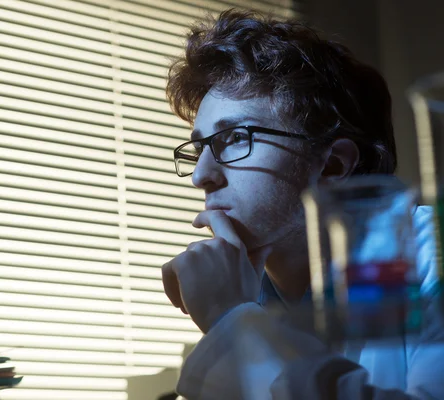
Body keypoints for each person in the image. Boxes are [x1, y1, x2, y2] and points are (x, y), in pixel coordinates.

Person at [161, 9, 443, 400]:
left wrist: (231, 322)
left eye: (235, 138)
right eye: (198, 150)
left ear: (332, 165)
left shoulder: (434, 254)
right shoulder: (253, 292)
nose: (200, 175)